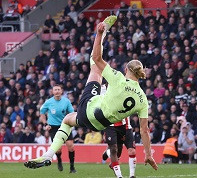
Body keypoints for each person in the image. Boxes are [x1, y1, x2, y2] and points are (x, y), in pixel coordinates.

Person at [24, 16, 158, 172]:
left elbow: (96, 57)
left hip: (91, 109)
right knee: (68, 119)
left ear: (126, 70)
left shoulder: (119, 79)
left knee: (95, 68)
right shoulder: (142, 99)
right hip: (100, 124)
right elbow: (144, 130)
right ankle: (48, 155)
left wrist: (100, 34)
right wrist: (148, 154)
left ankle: (48, 154)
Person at [39, 84, 76, 173]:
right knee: (58, 149)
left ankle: (72, 167)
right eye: (55, 90)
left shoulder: (66, 101)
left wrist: (71, 122)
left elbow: (72, 113)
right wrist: (45, 124)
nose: (57, 91)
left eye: (58, 89)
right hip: (53, 127)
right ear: (52, 91)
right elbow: (42, 113)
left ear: (61, 91)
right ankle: (59, 160)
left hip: (65, 126)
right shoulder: (48, 102)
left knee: (70, 146)